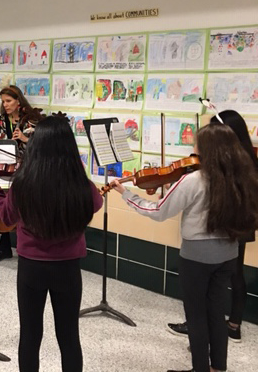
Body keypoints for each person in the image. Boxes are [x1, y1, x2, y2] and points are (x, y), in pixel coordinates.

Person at [111, 123, 258, 372]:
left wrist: (127, 194)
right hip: (228, 255)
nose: (193, 149)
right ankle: (218, 368)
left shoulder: (193, 180)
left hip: (197, 258)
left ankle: (200, 368)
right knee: (216, 312)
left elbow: (158, 211)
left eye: (196, 144)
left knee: (196, 316)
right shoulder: (242, 178)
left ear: (207, 149)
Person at [0, 116, 102, 372]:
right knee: (69, 336)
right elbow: (96, 203)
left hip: (31, 268)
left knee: (31, 335)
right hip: (68, 268)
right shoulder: (81, 186)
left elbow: (6, 217)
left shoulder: (23, 184)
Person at [167, 110, 258, 343]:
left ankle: (209, 325)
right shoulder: (245, 156)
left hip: (226, 219)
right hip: (239, 220)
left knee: (217, 279)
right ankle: (230, 325)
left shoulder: (235, 160)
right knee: (233, 272)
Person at [0, 85, 42, 262]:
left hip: (27, 170)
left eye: (8, 101)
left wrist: (25, 139)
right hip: (5, 168)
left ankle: (29, 248)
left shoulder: (31, 119)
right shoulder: (3, 119)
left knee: (25, 210)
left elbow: (43, 145)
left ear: (18, 101)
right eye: (3, 101)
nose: (5, 105)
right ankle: (3, 249)